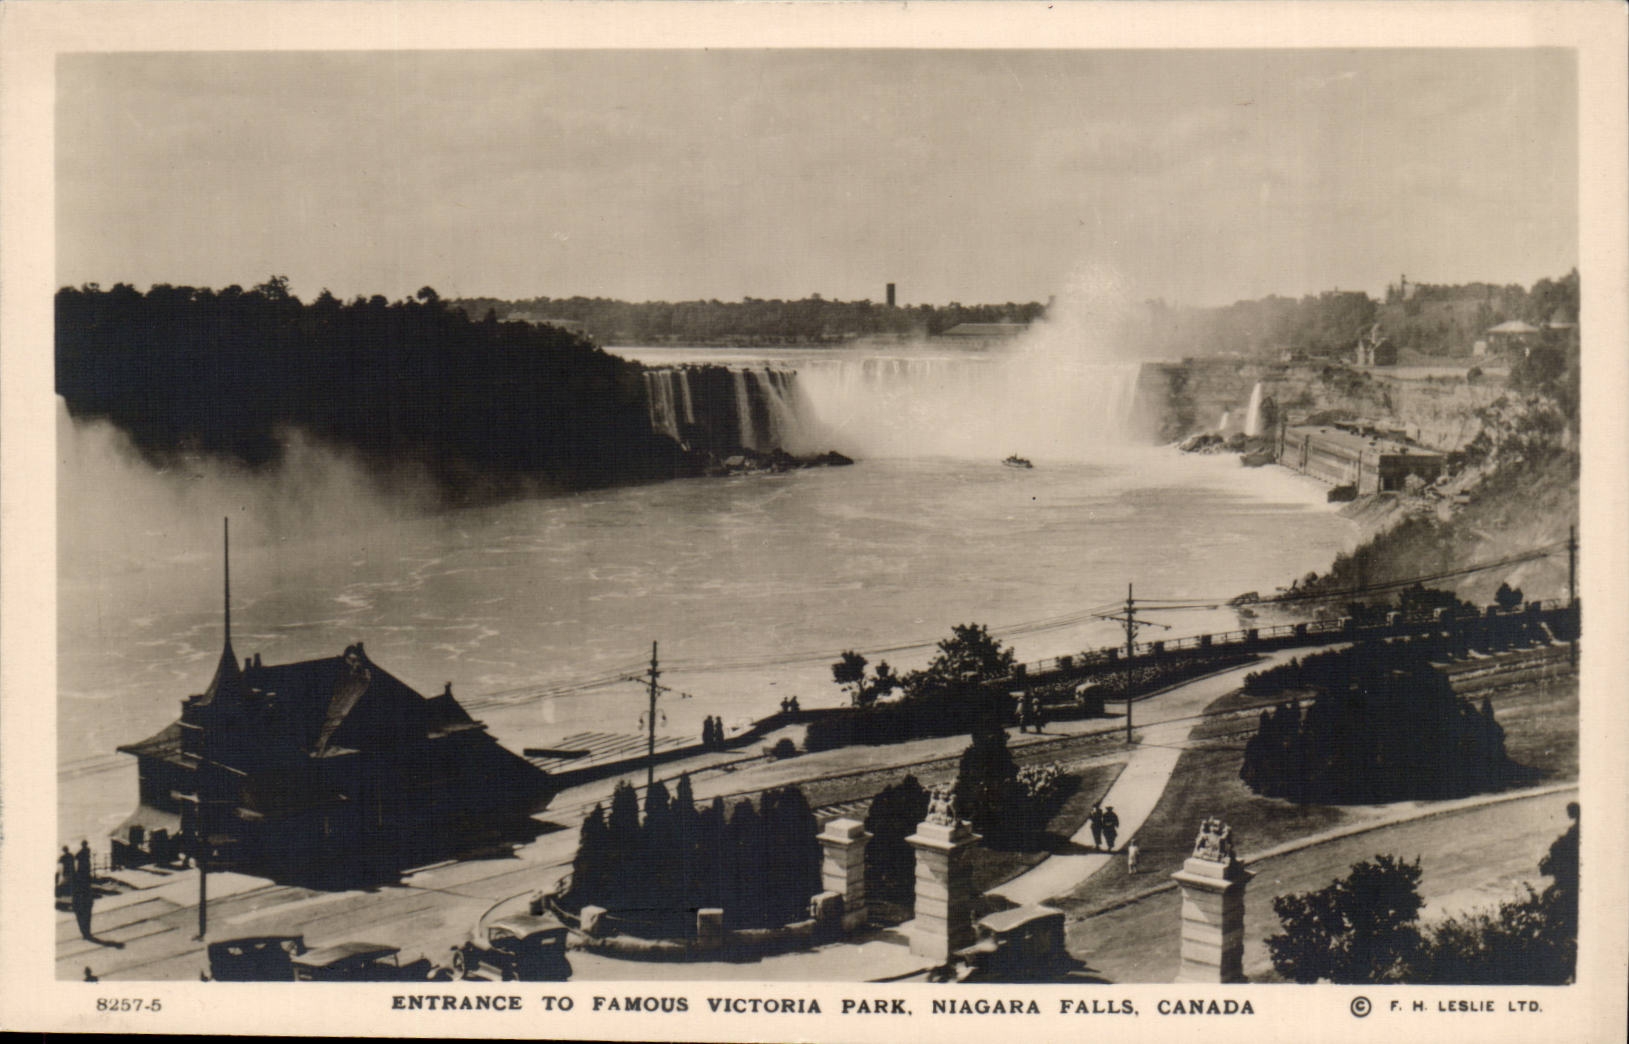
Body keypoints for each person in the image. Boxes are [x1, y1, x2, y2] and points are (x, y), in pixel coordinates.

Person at [71, 840, 95, 940]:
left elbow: (75, 857)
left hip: (81, 897)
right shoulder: (86, 853)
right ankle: (87, 932)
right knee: (87, 915)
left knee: (82, 916)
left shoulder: (81, 854)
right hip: (86, 895)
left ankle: (85, 933)